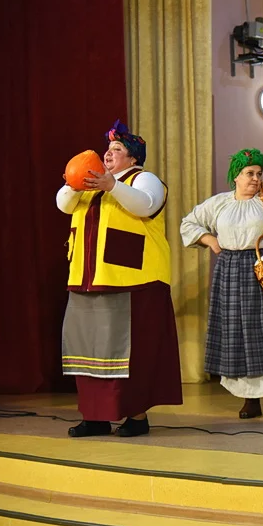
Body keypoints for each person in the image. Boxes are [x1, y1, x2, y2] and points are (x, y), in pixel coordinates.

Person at [57, 120, 183, 438]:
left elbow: (146, 205)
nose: (108, 154)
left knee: (129, 352)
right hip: (87, 279)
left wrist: (112, 185)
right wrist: (75, 183)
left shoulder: (143, 179)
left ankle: (136, 416)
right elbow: (63, 204)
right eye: (108, 149)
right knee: (87, 350)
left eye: (117, 149)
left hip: (132, 282)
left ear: (133, 157)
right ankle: (95, 416)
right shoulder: (90, 184)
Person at [181, 149, 263, 420]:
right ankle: (250, 399)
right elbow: (189, 223)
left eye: (258, 173)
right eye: (249, 173)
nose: (255, 178)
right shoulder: (220, 203)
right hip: (231, 271)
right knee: (239, 333)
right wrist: (211, 240)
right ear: (236, 177)